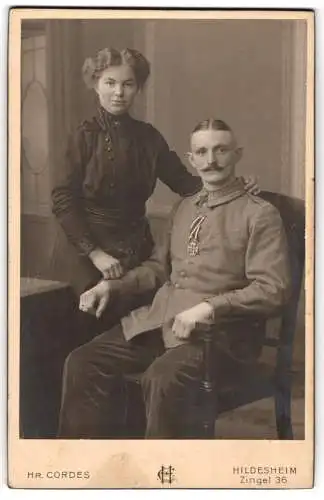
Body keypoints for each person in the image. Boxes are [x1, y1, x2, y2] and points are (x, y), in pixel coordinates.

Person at [57, 118, 291, 439]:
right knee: (84, 362)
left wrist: (209, 307)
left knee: (162, 380)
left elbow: (272, 289)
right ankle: (87, 469)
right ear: (191, 159)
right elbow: (157, 269)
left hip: (221, 337)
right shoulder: (183, 208)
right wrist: (113, 285)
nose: (211, 160)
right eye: (202, 152)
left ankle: (166, 479)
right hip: (161, 322)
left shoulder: (259, 214)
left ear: (237, 154)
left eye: (221, 150)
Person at [51, 48, 259, 302]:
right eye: (110, 83)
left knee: (136, 324)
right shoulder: (80, 137)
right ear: (96, 85)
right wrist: (96, 254)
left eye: (128, 84)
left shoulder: (148, 138)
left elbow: (187, 185)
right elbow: (63, 201)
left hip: (136, 251)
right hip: (85, 254)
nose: (119, 92)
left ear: (137, 88)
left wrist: (235, 185)